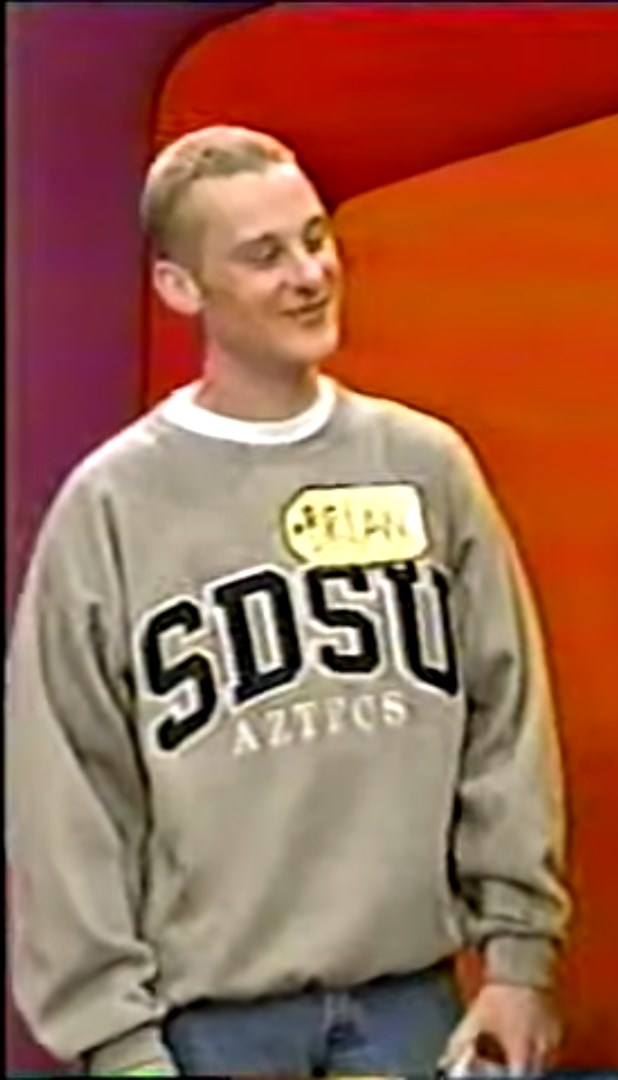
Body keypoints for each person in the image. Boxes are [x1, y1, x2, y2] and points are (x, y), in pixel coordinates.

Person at [5, 126, 569, 1077]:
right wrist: (115, 1042)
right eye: (264, 255)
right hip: (202, 1032)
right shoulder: (114, 505)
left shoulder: (424, 466)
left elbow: (506, 723)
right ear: (182, 288)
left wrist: (519, 960)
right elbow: (68, 791)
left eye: (315, 237)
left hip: (410, 1008)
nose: (309, 273)